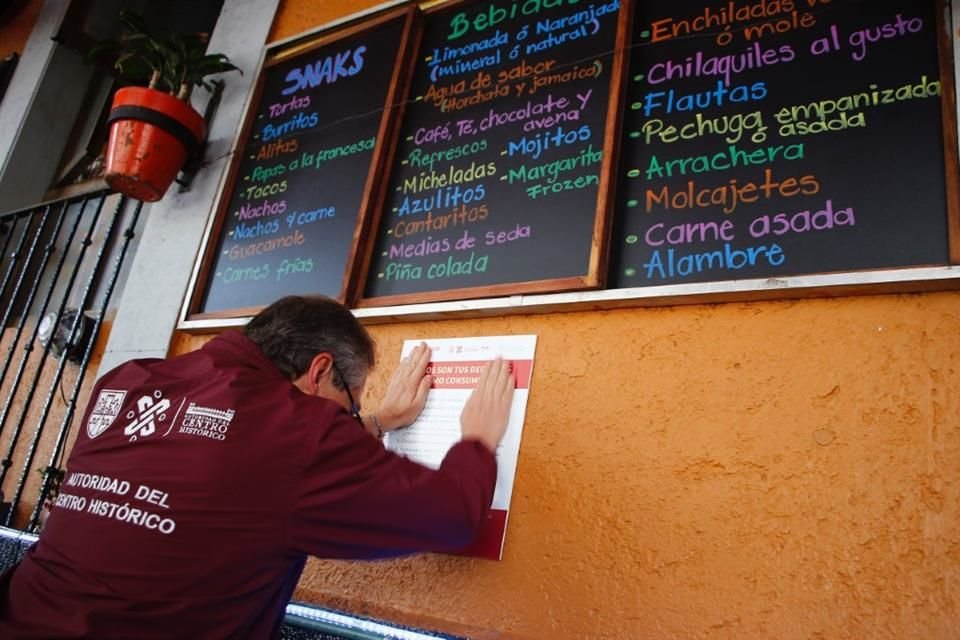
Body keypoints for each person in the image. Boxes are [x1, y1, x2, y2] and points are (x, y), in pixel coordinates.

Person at [0, 295, 515, 638]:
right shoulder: (298, 434)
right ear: (319, 370)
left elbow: (233, 461)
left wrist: (375, 420)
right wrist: (476, 438)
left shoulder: (125, 381)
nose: (346, 420)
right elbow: (450, 517)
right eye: (350, 404)